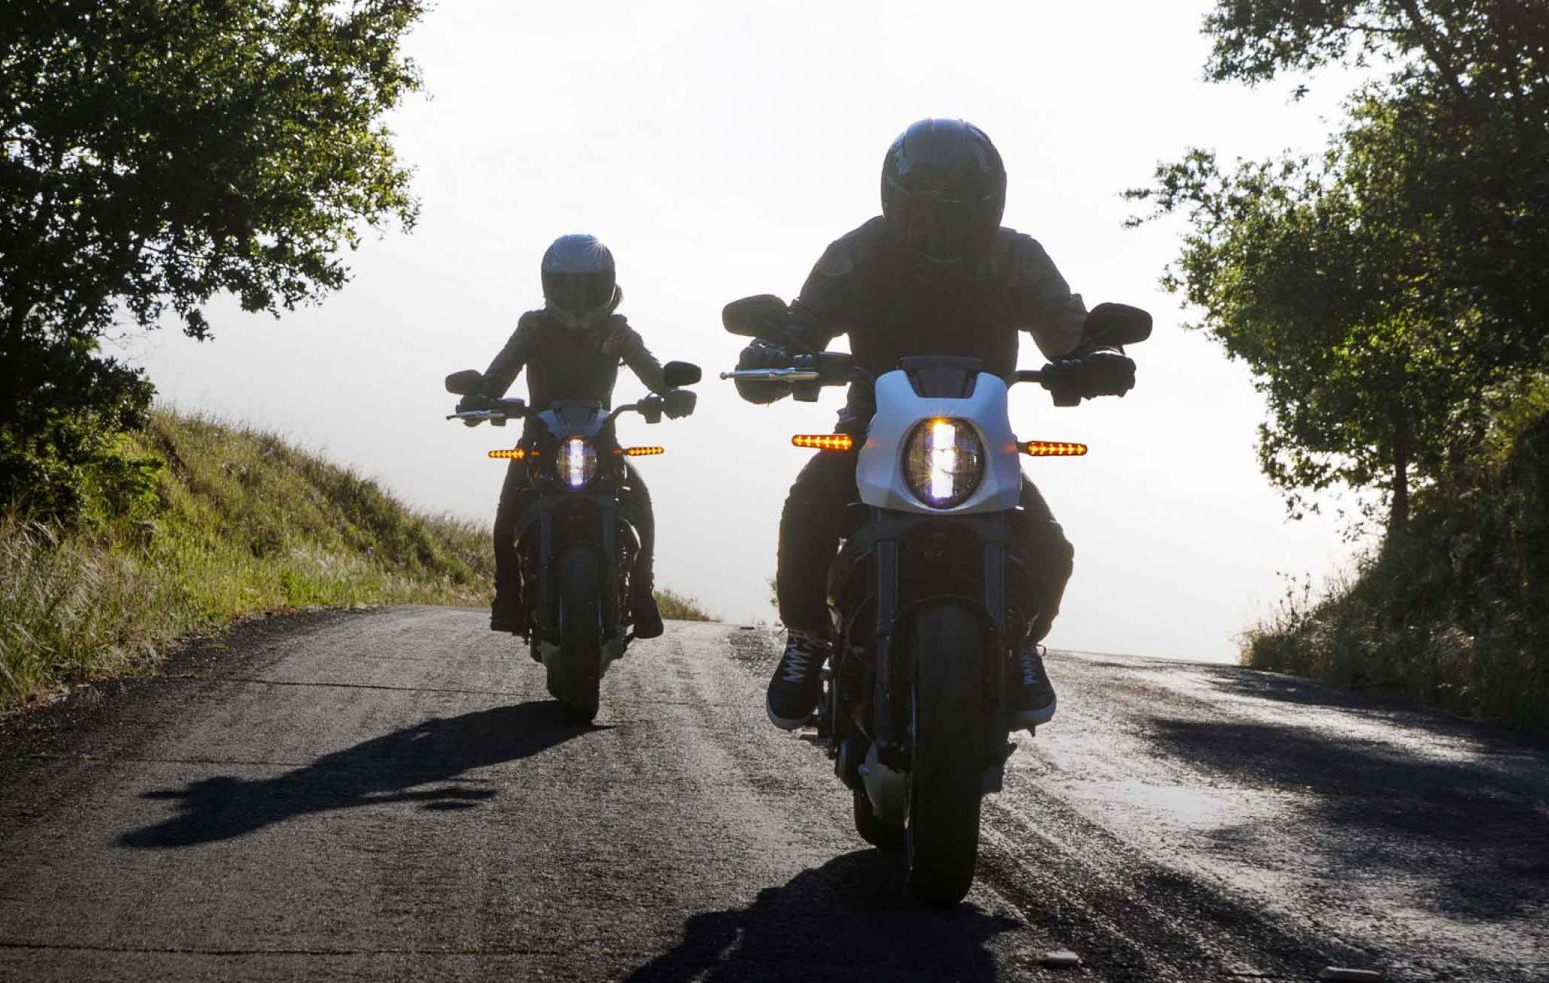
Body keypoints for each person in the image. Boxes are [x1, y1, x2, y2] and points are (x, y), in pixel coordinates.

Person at [735, 118, 1095, 730]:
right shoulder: (858, 254)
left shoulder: (1017, 258)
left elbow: (1069, 329)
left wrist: (1095, 356)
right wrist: (772, 354)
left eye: (958, 208)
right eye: (929, 207)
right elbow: (803, 322)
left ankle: (1019, 643)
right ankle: (807, 638)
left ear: (989, 203)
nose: (943, 223)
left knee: (1048, 547)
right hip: (870, 430)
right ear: (898, 199)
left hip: (982, 440)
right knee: (809, 509)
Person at [467, 234, 695, 639]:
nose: (576, 297)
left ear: (606, 284)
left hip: (601, 442)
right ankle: (508, 601)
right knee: (505, 521)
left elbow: (651, 370)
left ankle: (642, 594)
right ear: (549, 284)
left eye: (586, 286)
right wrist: (480, 397)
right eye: (567, 286)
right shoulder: (534, 327)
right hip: (538, 441)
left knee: (641, 503)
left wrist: (669, 393)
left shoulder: (617, 331)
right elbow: (499, 371)